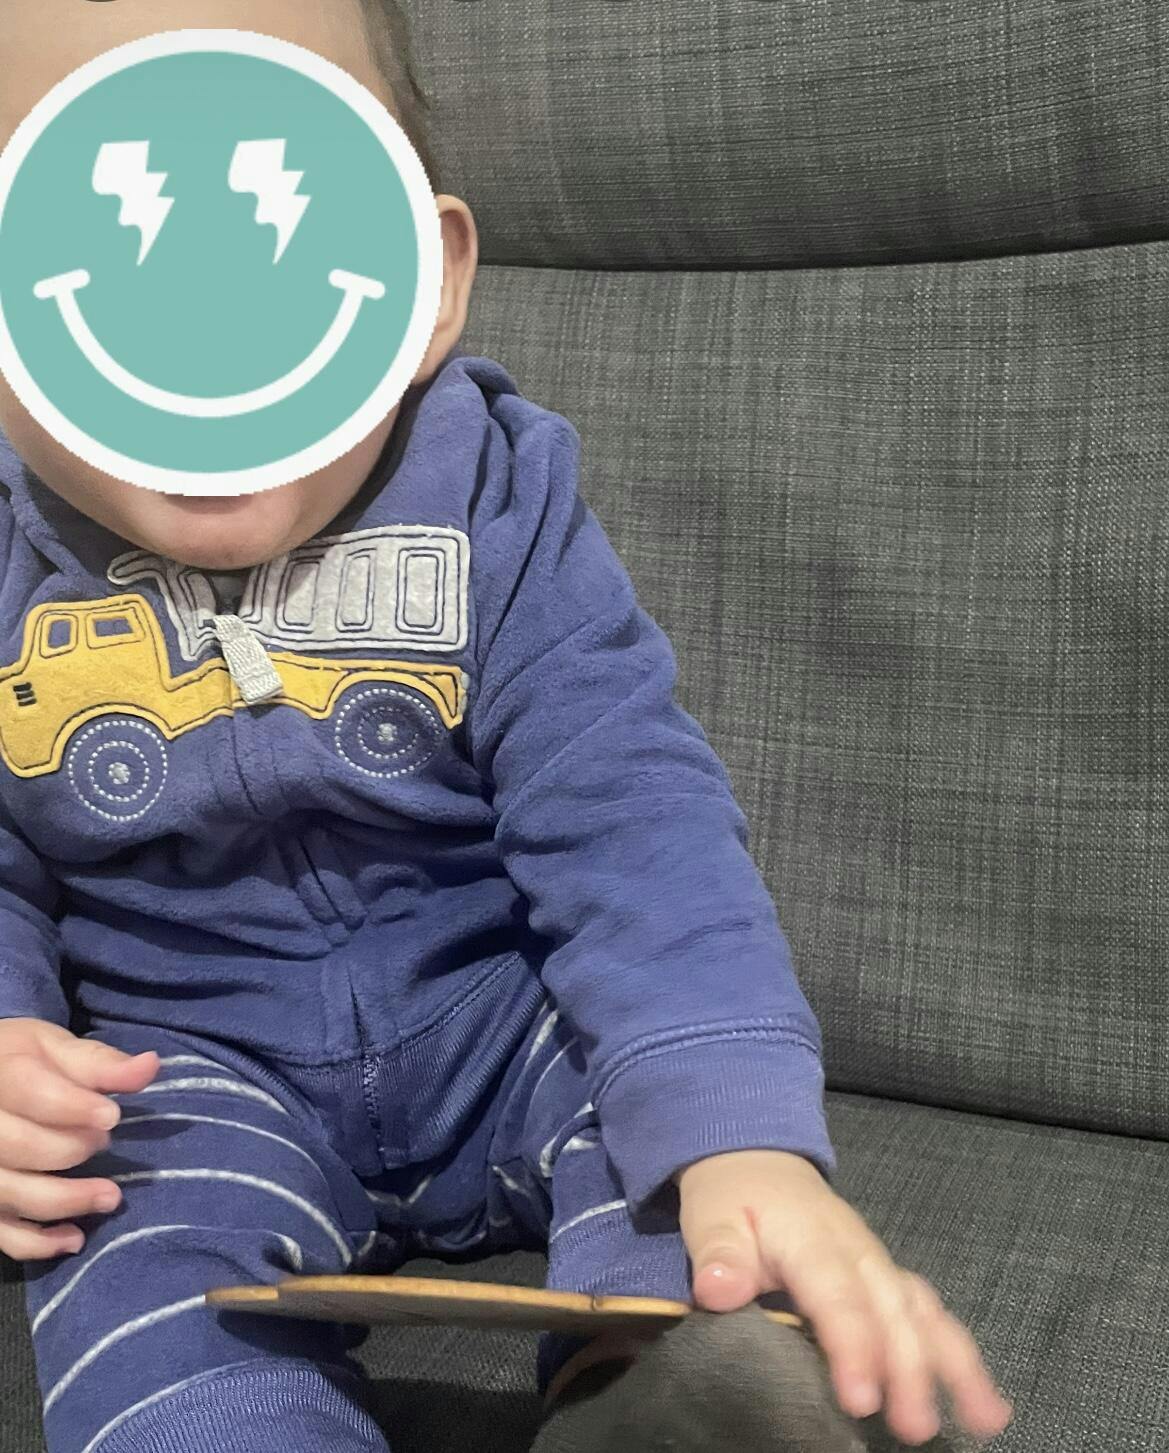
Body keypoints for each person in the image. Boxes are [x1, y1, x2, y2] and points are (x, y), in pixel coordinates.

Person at [0, 2, 1015, 1450]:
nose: (198, 306)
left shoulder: (495, 497)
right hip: (186, 1068)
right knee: (121, 1238)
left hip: (508, 1018)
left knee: (673, 1172)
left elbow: (628, 803)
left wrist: (735, 1133)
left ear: (424, 285)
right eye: (97, 229)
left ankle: (659, 1397)